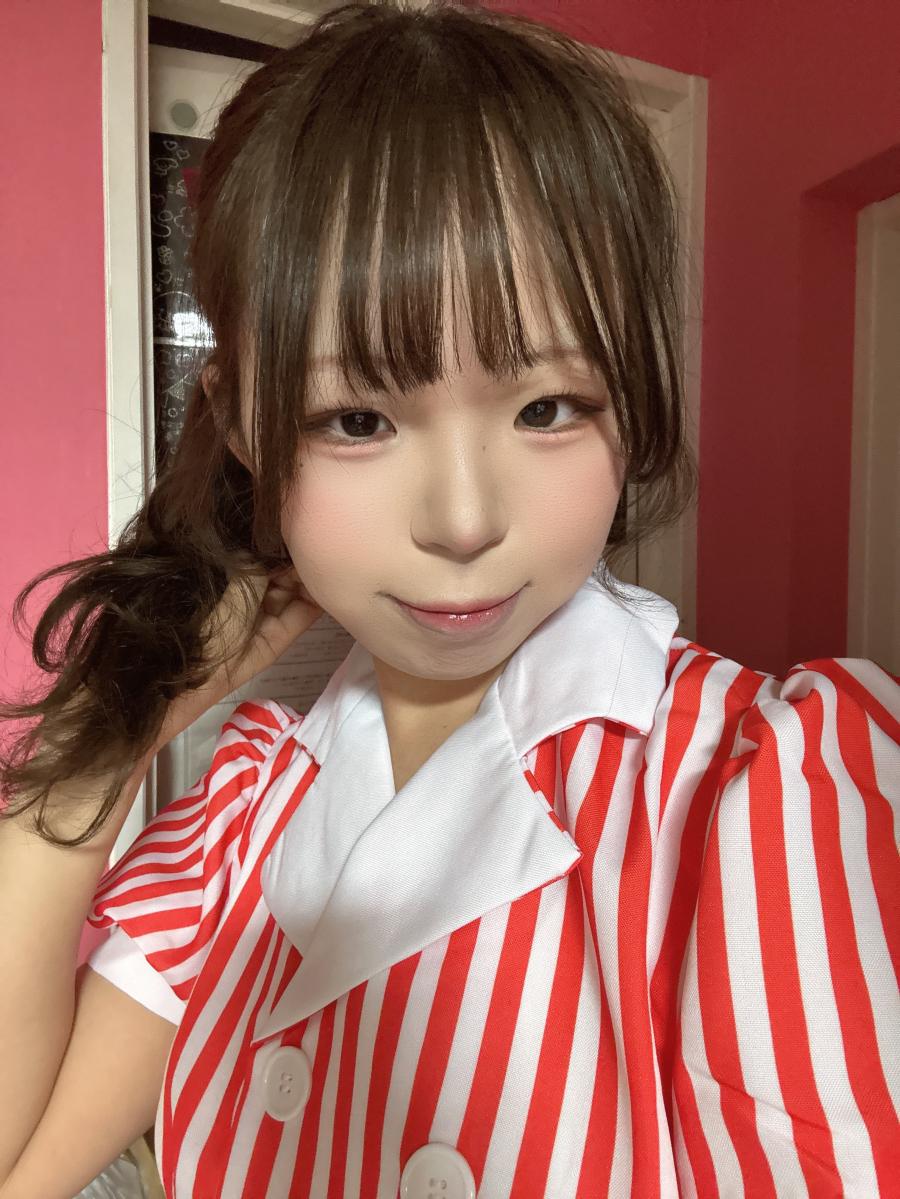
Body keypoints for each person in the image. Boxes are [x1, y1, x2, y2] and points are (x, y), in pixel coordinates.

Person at [0, 2, 897, 1197]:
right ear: (247, 426)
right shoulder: (242, 811)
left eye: (547, 407)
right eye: (357, 418)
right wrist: (98, 740)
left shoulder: (755, 791)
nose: (466, 520)